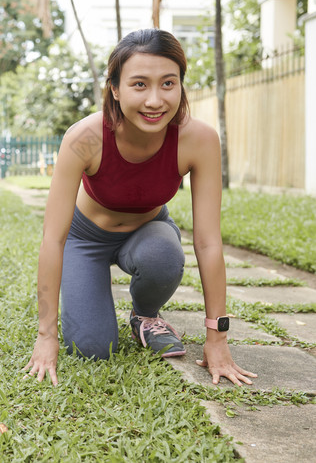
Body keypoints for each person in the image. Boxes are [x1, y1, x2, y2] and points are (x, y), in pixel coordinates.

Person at [24, 29, 257, 387]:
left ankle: (145, 317)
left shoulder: (200, 139)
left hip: (149, 231)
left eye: (168, 83)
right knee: (91, 348)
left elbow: (209, 242)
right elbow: (53, 240)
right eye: (139, 85)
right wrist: (45, 336)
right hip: (84, 238)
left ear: (181, 85)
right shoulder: (84, 139)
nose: (154, 100)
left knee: (164, 253)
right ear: (115, 89)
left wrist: (218, 338)